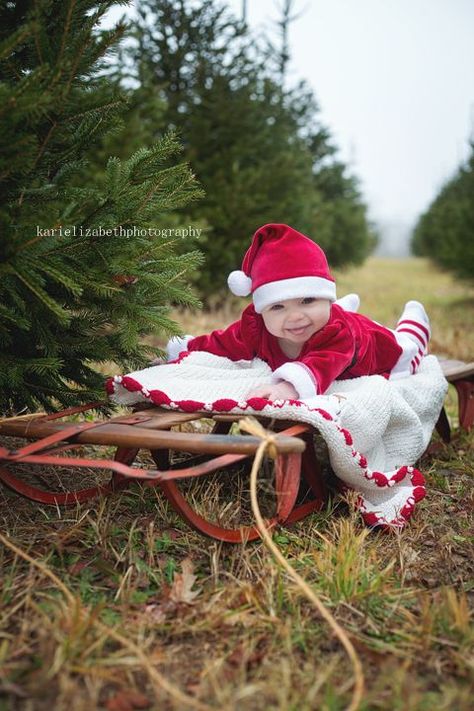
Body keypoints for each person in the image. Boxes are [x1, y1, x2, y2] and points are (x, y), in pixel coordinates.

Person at [165, 223, 431, 401]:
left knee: (406, 344)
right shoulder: (256, 327)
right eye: (278, 306)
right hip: (331, 316)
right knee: (316, 317)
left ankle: (416, 321)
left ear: (324, 296)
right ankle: (332, 308)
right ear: (262, 311)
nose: (294, 316)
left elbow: (320, 365)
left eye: (307, 300)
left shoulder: (337, 336)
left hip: (376, 346)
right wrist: (186, 348)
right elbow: (222, 342)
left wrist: (286, 387)